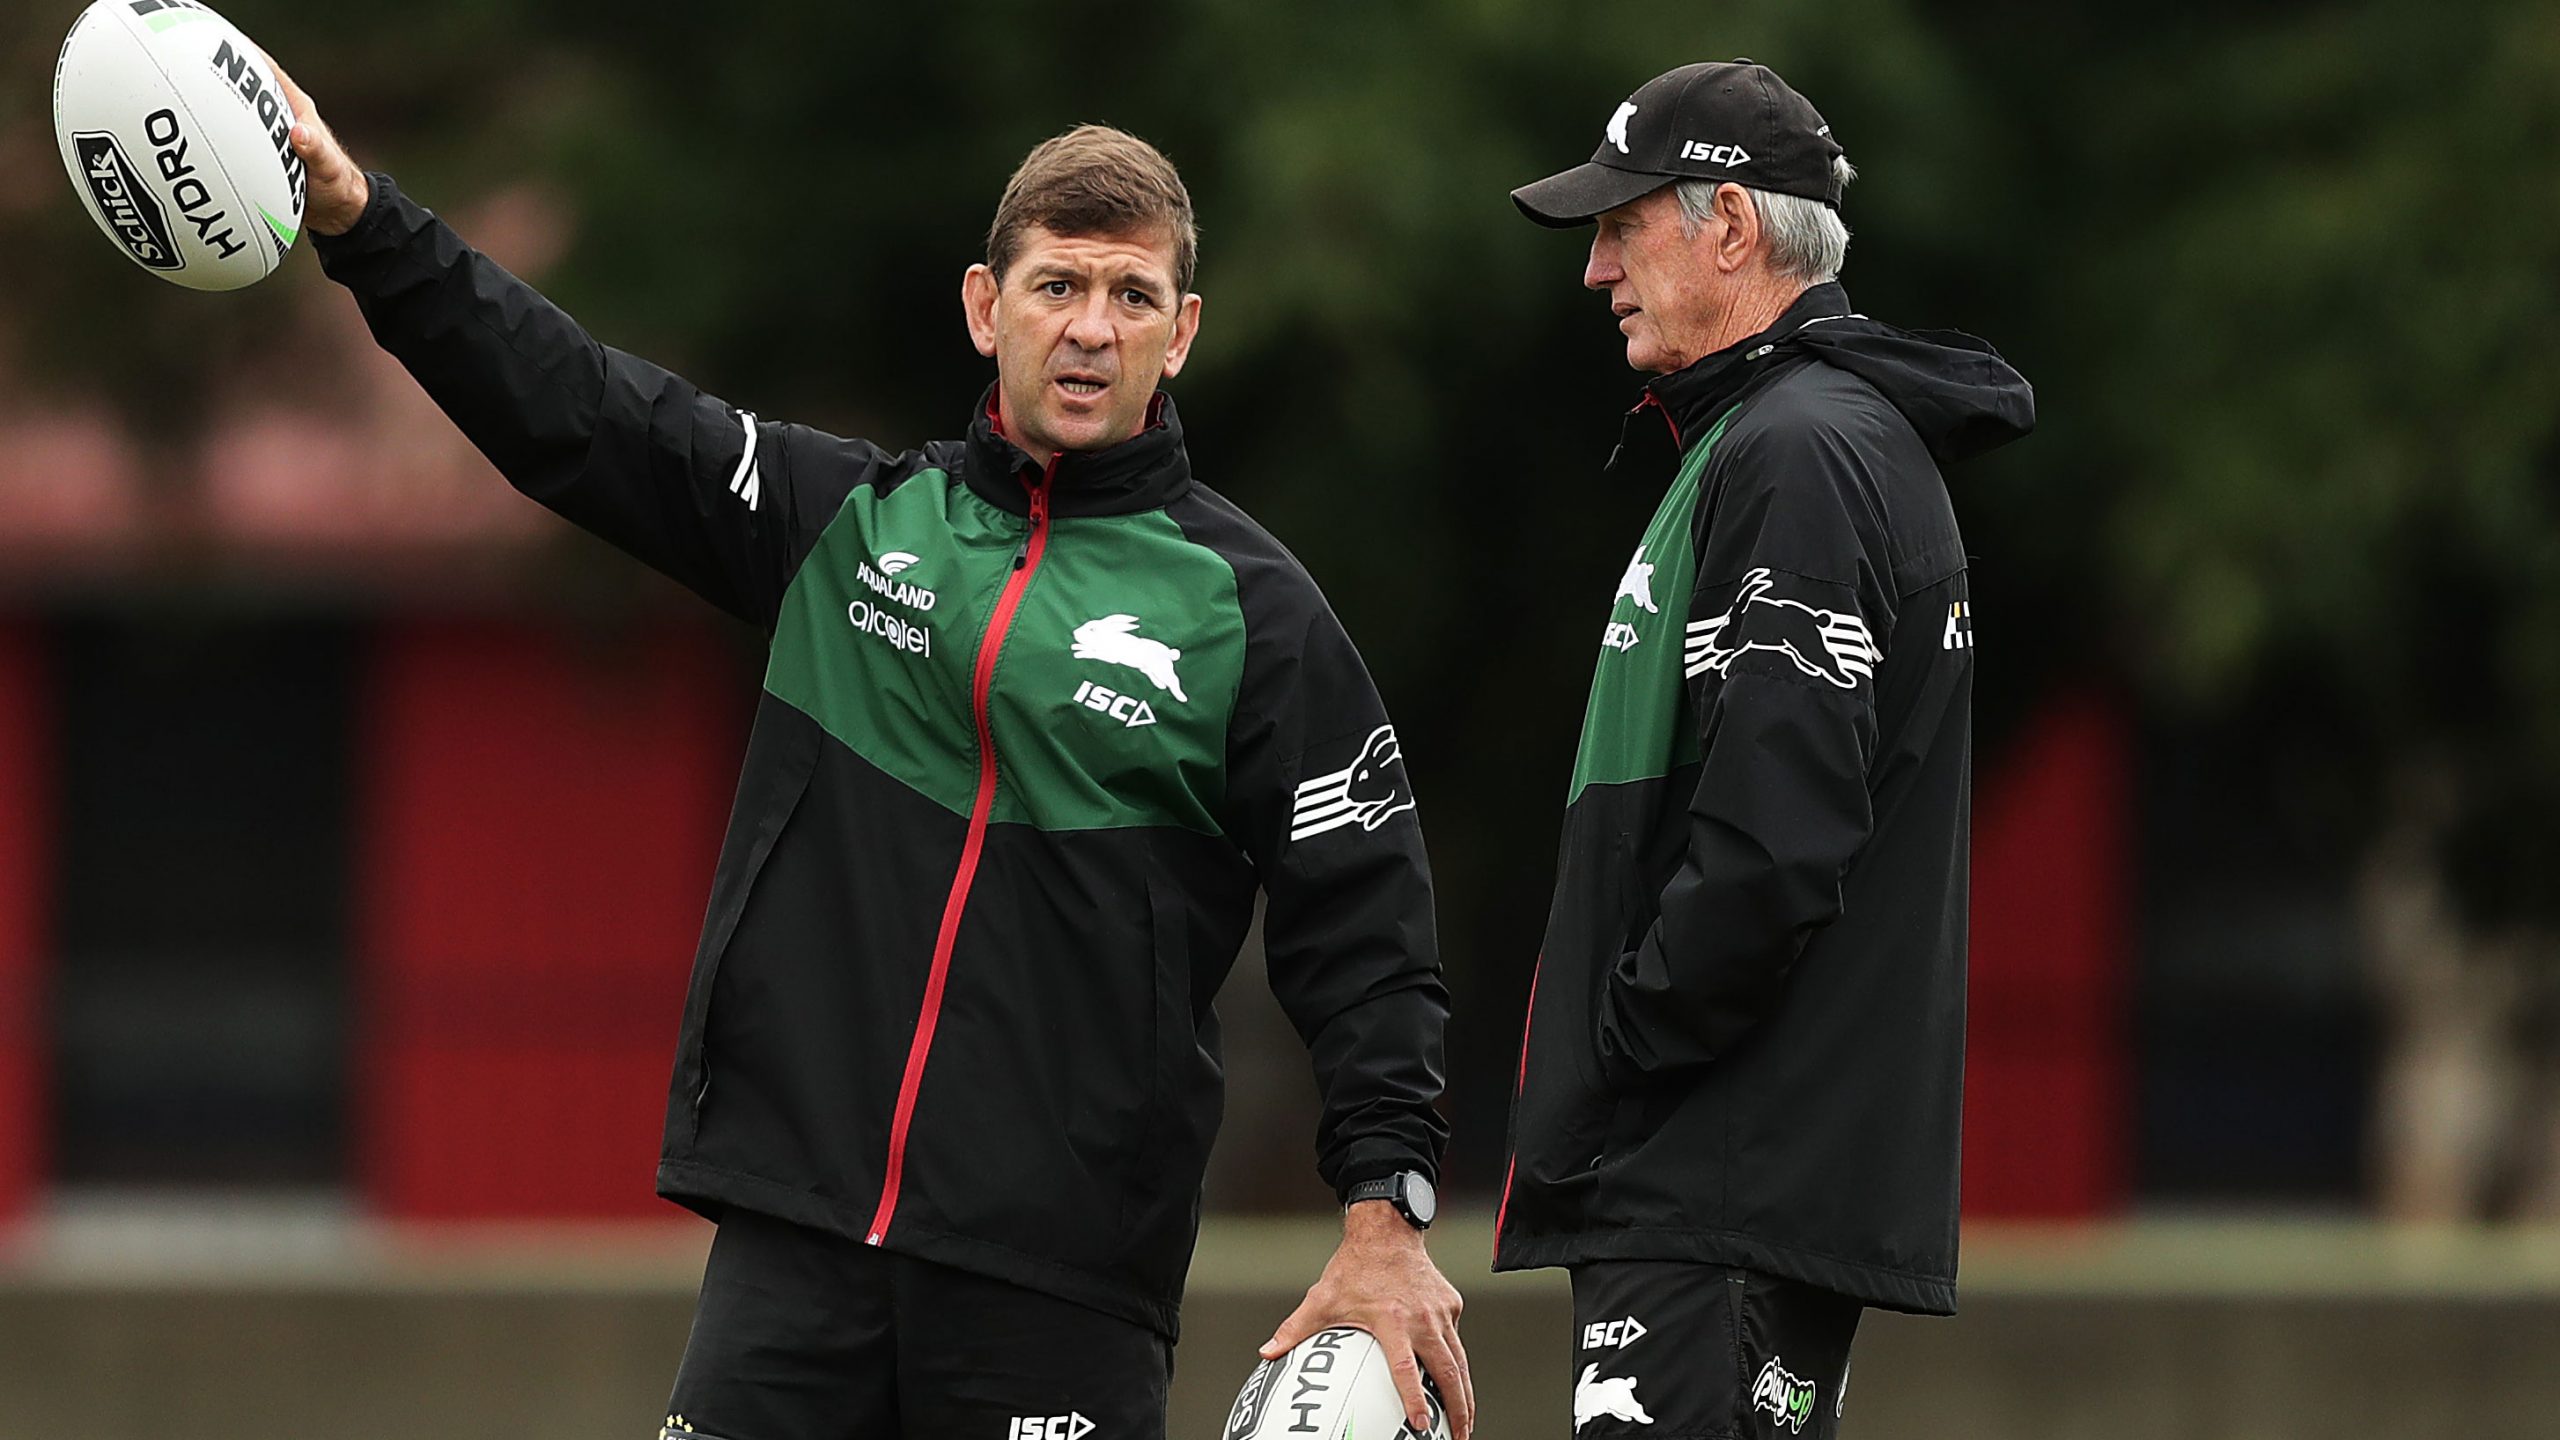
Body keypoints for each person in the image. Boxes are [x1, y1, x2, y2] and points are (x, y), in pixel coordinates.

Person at [275, 67, 1472, 1440]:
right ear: (985, 307)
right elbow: (577, 410)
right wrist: (361, 218)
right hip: (795, 1250)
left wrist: (1386, 1217)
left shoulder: (1258, 617)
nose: (1091, 329)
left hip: (1059, 1287)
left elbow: (1371, 930)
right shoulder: (846, 524)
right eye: (1057, 288)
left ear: (1182, 332)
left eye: (1131, 297)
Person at [1492, 61, 2034, 1438]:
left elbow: (1773, 843)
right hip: (1724, 1183)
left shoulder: (1798, 451)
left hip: (1717, 1179)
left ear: (1728, 222)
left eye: (1624, 225)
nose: (1598, 267)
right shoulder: (1788, 436)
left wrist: (1622, 1046)